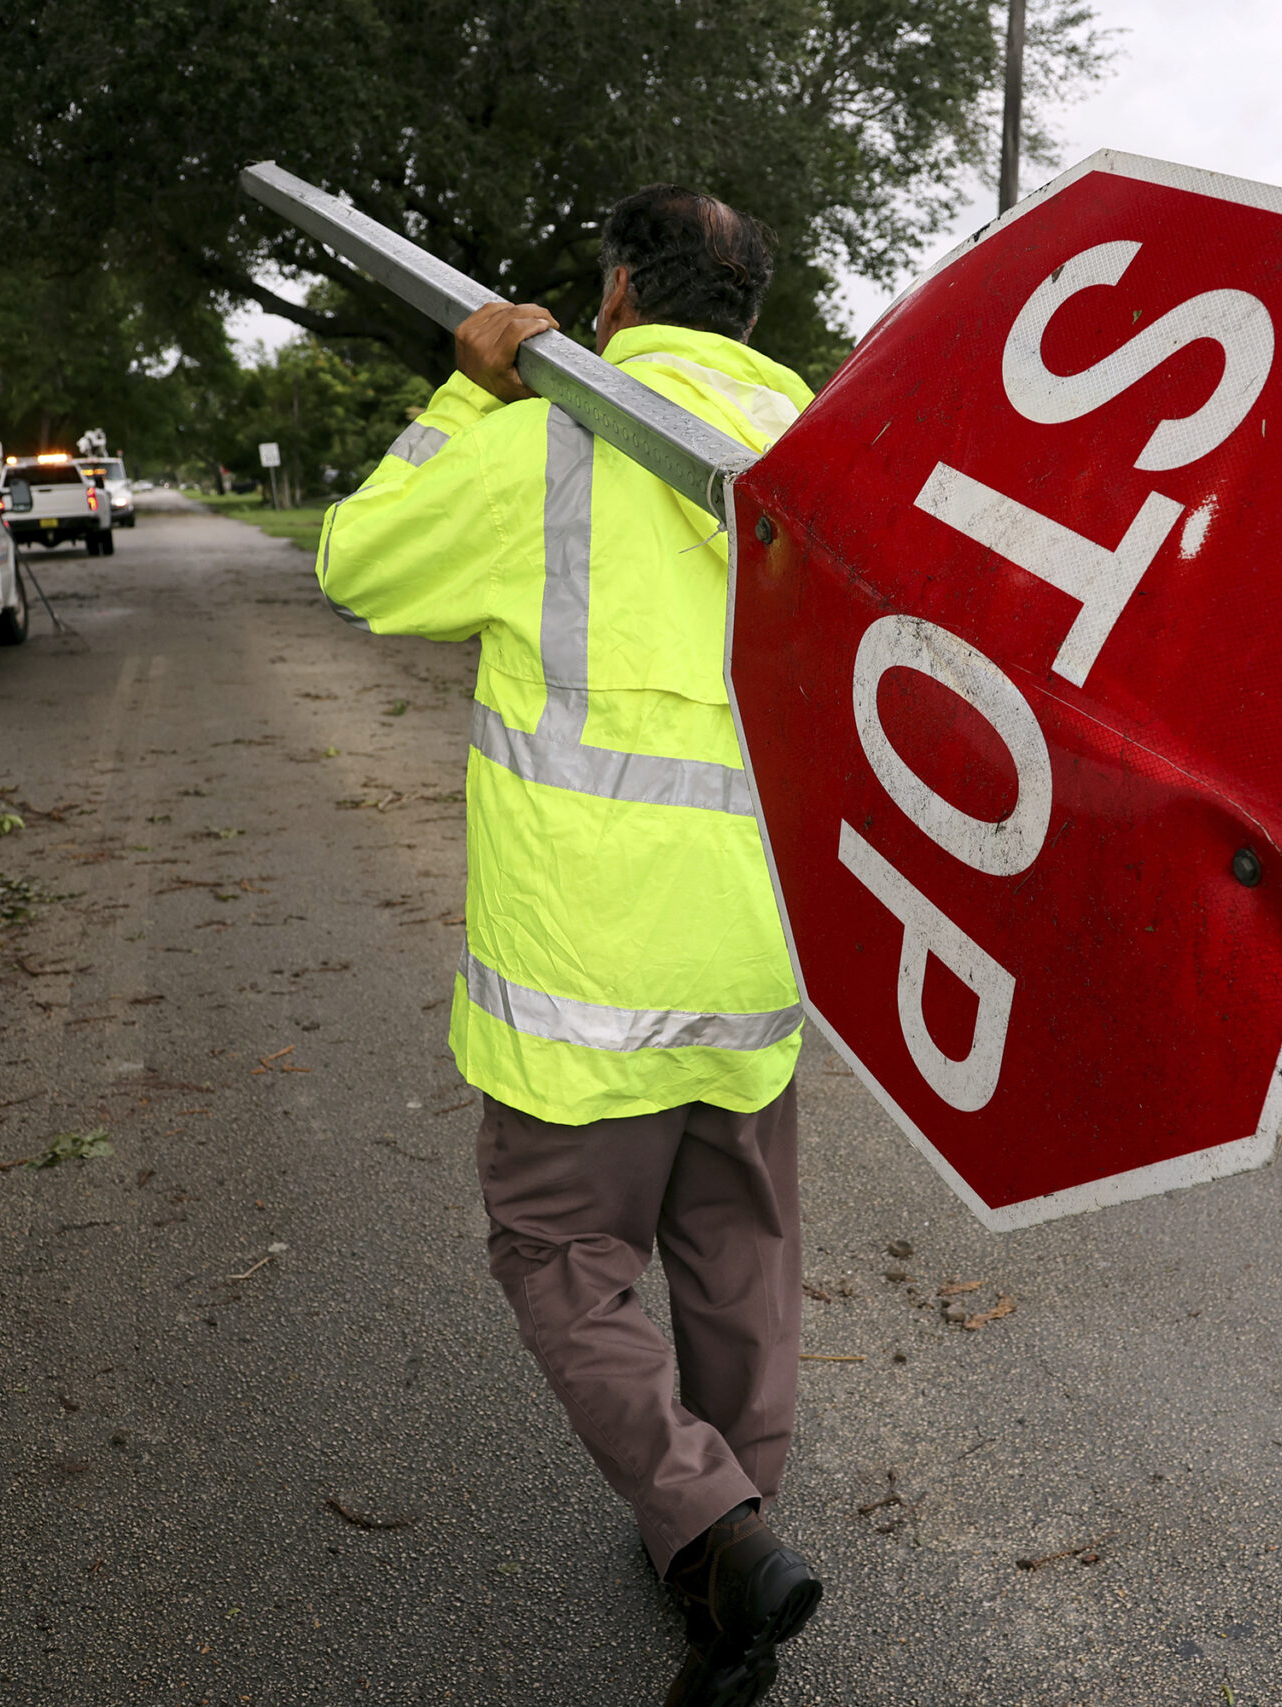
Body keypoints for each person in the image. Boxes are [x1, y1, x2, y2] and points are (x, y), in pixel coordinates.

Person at [314, 186, 822, 1706]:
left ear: (614, 296)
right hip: (756, 965)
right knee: (739, 1255)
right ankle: (732, 1532)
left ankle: (709, 1523)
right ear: (752, 320)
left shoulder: (542, 444)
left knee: (560, 1253)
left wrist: (457, 393)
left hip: (577, 978)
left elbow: (358, 561)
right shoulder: (828, 473)